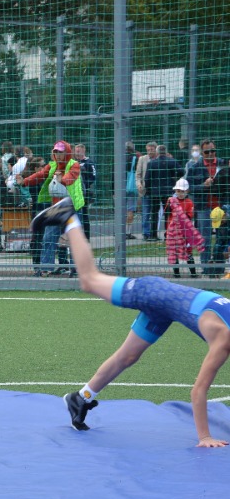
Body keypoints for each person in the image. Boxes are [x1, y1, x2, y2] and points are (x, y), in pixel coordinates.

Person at [30, 198, 230, 447]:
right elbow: (198, 391)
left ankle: (81, 398)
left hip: (164, 310)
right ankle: (68, 217)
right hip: (153, 292)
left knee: (128, 357)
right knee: (89, 280)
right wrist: (205, 437)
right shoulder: (224, 338)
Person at [22, 141, 84, 277]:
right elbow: (40, 175)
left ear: (67, 152)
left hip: (73, 206)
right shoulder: (52, 165)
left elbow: (71, 177)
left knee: (74, 238)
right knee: (49, 237)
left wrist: (63, 179)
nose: (58, 155)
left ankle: (76, 269)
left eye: (61, 152)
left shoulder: (74, 164)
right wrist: (25, 181)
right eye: (56, 152)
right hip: (56, 207)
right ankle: (46, 268)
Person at [187, 139, 225, 274]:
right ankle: (206, 268)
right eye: (207, 152)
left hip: (221, 206)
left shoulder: (223, 163)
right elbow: (189, 188)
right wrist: (203, 185)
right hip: (204, 207)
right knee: (205, 239)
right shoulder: (195, 167)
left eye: (213, 151)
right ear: (202, 152)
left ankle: (219, 268)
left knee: (222, 238)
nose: (210, 154)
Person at [165, 179, 203, 278]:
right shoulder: (172, 201)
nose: (180, 193)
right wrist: (170, 203)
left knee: (188, 252)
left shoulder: (189, 202)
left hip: (185, 232)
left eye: (182, 191)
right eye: (178, 191)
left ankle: (193, 273)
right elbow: (167, 214)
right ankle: (176, 273)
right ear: (175, 191)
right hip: (173, 232)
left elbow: (189, 216)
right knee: (174, 252)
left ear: (187, 191)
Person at [145, 145, 180, 241]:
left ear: (157, 152)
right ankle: (168, 234)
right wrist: (174, 177)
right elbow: (182, 171)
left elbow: (147, 178)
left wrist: (148, 189)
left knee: (154, 213)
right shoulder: (172, 161)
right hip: (168, 190)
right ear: (165, 152)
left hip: (155, 191)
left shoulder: (151, 163)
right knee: (168, 213)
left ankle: (153, 235)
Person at [135, 141, 157, 240]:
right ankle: (146, 233)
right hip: (145, 189)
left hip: (157, 190)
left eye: (152, 150)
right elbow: (138, 174)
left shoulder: (159, 158)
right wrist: (139, 184)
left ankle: (154, 233)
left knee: (155, 213)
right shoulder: (142, 159)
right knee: (146, 212)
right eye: (148, 150)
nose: (150, 152)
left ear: (156, 149)